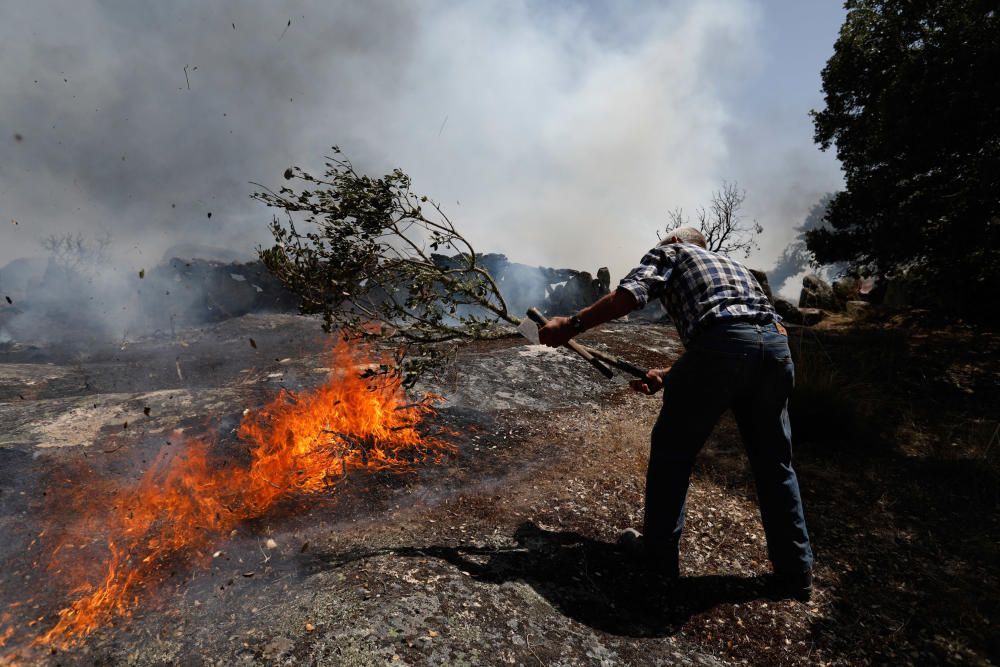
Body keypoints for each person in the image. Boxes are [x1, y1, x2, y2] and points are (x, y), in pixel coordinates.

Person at [538, 227, 814, 601]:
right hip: (775, 350)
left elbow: (628, 297)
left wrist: (570, 325)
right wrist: (671, 375)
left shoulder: (672, 253)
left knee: (673, 452)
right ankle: (796, 573)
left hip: (724, 348)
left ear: (675, 241)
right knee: (775, 465)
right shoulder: (734, 264)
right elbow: (739, 330)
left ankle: (657, 557)